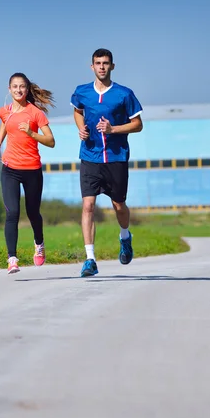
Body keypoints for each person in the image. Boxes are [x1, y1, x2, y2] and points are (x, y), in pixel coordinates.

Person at [71, 48, 143, 277]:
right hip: (90, 156)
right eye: (97, 63)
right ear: (91, 66)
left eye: (105, 63)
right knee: (88, 206)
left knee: (118, 206)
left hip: (116, 157)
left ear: (112, 66)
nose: (101, 67)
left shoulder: (124, 94)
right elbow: (77, 111)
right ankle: (90, 259)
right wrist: (80, 128)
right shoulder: (82, 92)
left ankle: (125, 236)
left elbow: (138, 124)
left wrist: (114, 129)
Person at [0, 73, 55, 274]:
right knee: (12, 213)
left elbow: (51, 141)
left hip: (32, 170)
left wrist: (31, 133)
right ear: (9, 89)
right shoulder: (4, 111)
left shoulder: (35, 113)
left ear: (27, 90)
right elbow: (4, 123)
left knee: (33, 213)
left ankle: (39, 243)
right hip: (10, 169)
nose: (18, 90)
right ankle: (12, 259)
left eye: (22, 87)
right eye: (15, 87)